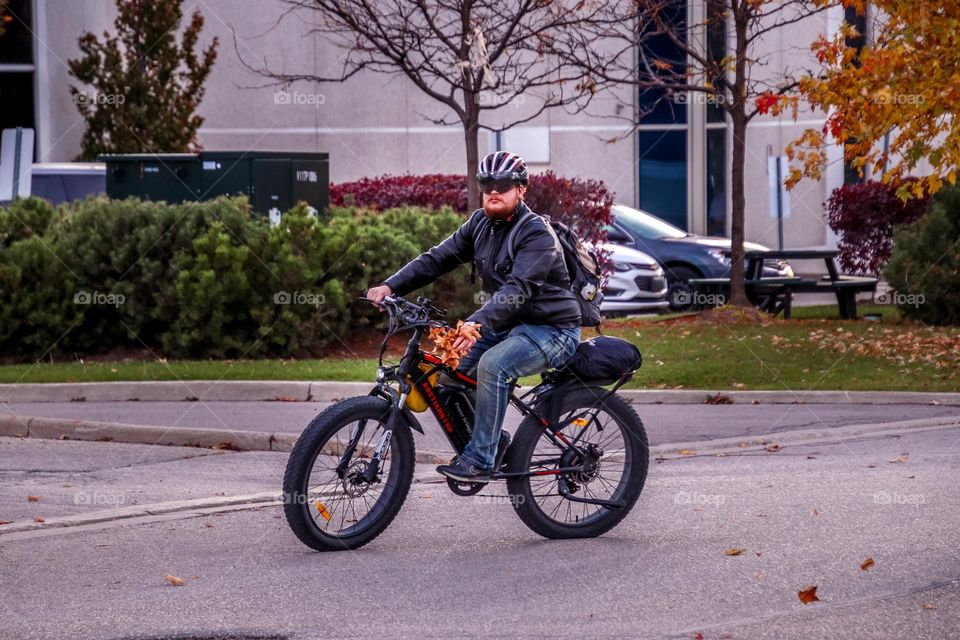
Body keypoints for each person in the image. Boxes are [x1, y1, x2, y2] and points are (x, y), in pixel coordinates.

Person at [364, 151, 581, 482]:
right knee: (449, 377)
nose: (494, 190)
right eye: (487, 183)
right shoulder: (480, 223)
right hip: (508, 326)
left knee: (493, 366)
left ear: (521, 188)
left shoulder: (537, 234)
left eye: (504, 184)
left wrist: (476, 323)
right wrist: (391, 286)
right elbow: (437, 259)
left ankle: (480, 460)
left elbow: (517, 289)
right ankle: (495, 443)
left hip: (552, 330)